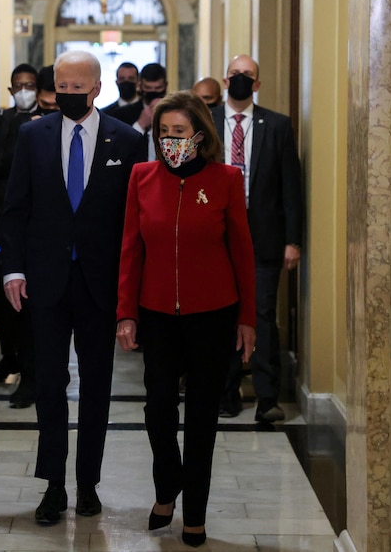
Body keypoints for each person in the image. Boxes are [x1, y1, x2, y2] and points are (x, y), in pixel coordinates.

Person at [0, 49, 145, 525]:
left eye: (77, 90)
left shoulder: (126, 140)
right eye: (61, 88)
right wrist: (13, 270)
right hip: (46, 282)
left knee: (98, 387)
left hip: (100, 285)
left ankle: (88, 484)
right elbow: (15, 208)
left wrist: (131, 292)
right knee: (48, 384)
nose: (68, 96)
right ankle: (53, 485)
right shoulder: (32, 136)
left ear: (96, 89)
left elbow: (133, 222)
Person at [115, 90, 256, 548]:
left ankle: (193, 510)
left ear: (199, 135)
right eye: (163, 132)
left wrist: (247, 318)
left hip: (212, 314)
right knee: (158, 409)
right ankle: (165, 487)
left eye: (178, 132)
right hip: (157, 313)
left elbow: (242, 253)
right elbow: (130, 249)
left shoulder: (226, 179)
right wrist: (126, 313)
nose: (169, 140)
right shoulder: (142, 176)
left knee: (201, 416)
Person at [212, 55, 304, 422]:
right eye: (235, 75)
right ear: (225, 80)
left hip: (265, 235)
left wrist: (293, 240)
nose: (240, 80)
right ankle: (227, 392)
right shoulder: (207, 121)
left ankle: (267, 398)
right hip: (217, 233)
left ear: (257, 84)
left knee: (262, 314)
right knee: (222, 314)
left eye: (247, 75)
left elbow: (291, 187)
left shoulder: (277, 125)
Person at [0, 64, 40, 390]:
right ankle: (9, 355)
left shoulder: (47, 119)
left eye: (30, 84)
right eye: (19, 85)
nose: (25, 90)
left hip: (34, 223)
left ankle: (29, 365)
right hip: (2, 218)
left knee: (29, 301)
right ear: (11, 90)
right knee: (2, 297)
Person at [110, 62, 168, 161]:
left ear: (165, 86)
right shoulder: (122, 113)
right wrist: (140, 125)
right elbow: (117, 148)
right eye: (148, 88)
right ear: (140, 85)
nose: (153, 92)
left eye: (158, 88)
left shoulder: (175, 111)